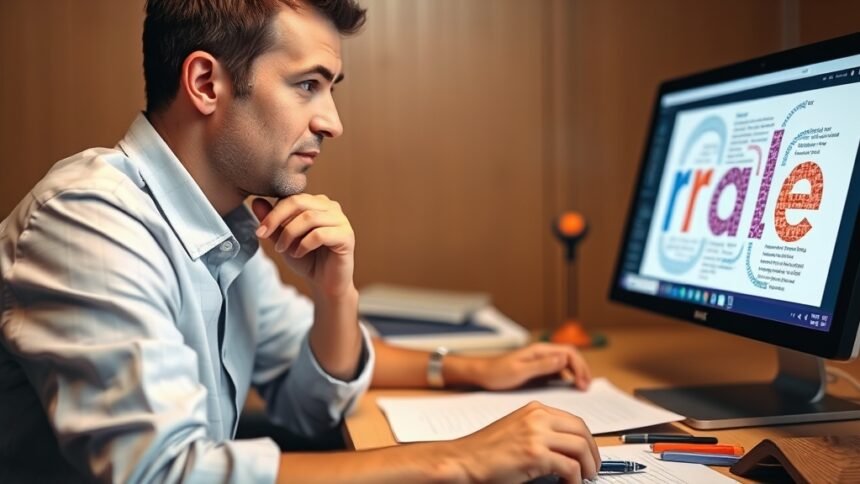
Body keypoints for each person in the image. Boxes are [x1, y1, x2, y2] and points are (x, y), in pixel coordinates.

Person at [0, 1, 600, 482]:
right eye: (308, 85)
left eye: (331, 88)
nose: (332, 121)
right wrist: (457, 459)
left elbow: (308, 400)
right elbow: (163, 472)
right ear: (206, 82)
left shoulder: (223, 225)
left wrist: (338, 295)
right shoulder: (92, 220)